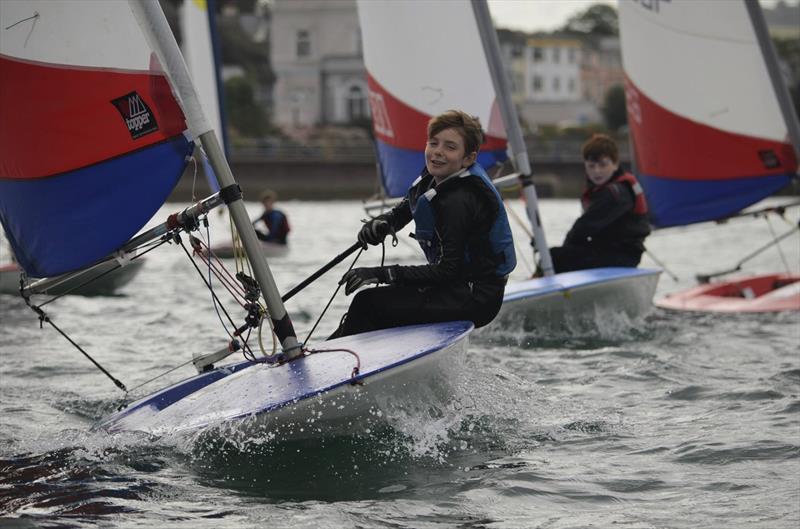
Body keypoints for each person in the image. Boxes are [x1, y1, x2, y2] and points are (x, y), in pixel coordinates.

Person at [330, 110, 516, 338]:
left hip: (475, 298)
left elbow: (447, 270)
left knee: (367, 303)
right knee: (370, 305)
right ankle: (327, 353)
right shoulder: (433, 179)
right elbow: (403, 211)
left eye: (450, 147)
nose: (438, 152)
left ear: (468, 159)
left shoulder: (459, 201)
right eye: (433, 143)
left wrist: (381, 274)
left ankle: (336, 360)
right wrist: (383, 223)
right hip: (455, 288)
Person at [547, 133, 650, 273]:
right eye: (591, 166)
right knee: (559, 254)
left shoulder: (615, 194)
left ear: (615, 164)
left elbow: (583, 227)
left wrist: (565, 250)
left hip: (621, 258)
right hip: (608, 252)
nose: (597, 171)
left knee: (554, 256)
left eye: (603, 165)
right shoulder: (608, 189)